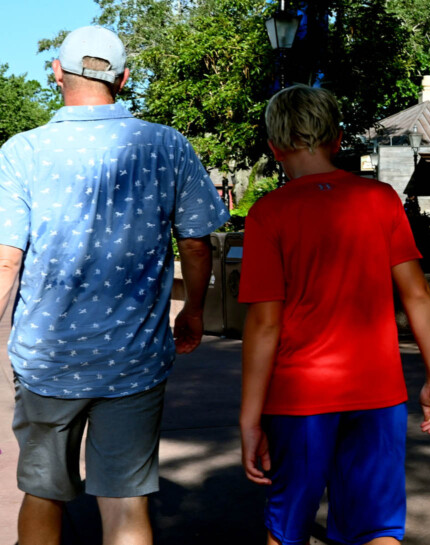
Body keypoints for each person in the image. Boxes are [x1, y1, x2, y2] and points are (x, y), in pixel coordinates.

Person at [0, 26, 229, 544]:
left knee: (43, 493)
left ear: (56, 72)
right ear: (124, 79)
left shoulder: (23, 152)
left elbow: (5, 263)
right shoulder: (165, 145)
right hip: (134, 359)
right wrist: (192, 311)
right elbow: (196, 244)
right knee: (125, 503)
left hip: (47, 360)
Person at [238, 84, 430, 545]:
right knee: (376, 528)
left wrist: (250, 417)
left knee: (287, 527)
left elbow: (265, 322)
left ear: (274, 148)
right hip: (378, 392)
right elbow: (417, 296)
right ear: (337, 140)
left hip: (301, 396)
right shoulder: (380, 200)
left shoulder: (268, 214)